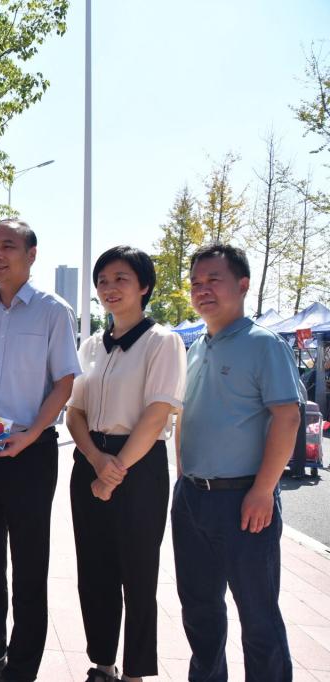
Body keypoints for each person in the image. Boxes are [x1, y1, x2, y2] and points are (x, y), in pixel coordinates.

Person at [0, 219, 81, 682]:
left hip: (31, 451)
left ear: (32, 254)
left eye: (8, 246)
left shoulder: (53, 311)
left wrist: (30, 434)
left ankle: (22, 668)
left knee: (28, 566)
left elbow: (64, 382)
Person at [173, 244, 300, 681]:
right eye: (196, 283)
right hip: (192, 499)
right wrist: (182, 480)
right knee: (199, 610)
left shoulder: (264, 345)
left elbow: (287, 418)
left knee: (258, 616)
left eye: (214, 280)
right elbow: (185, 418)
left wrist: (263, 490)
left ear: (243, 285)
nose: (202, 290)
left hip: (244, 501)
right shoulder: (195, 348)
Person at [65, 246, 186, 682]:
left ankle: (135, 672)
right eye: (103, 280)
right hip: (90, 460)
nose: (109, 288)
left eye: (121, 279)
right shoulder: (91, 345)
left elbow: (157, 414)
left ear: (144, 286)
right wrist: (96, 461)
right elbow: (74, 412)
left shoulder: (162, 341)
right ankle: (103, 663)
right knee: (93, 570)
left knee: (137, 574)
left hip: (138, 465)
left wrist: (113, 473)